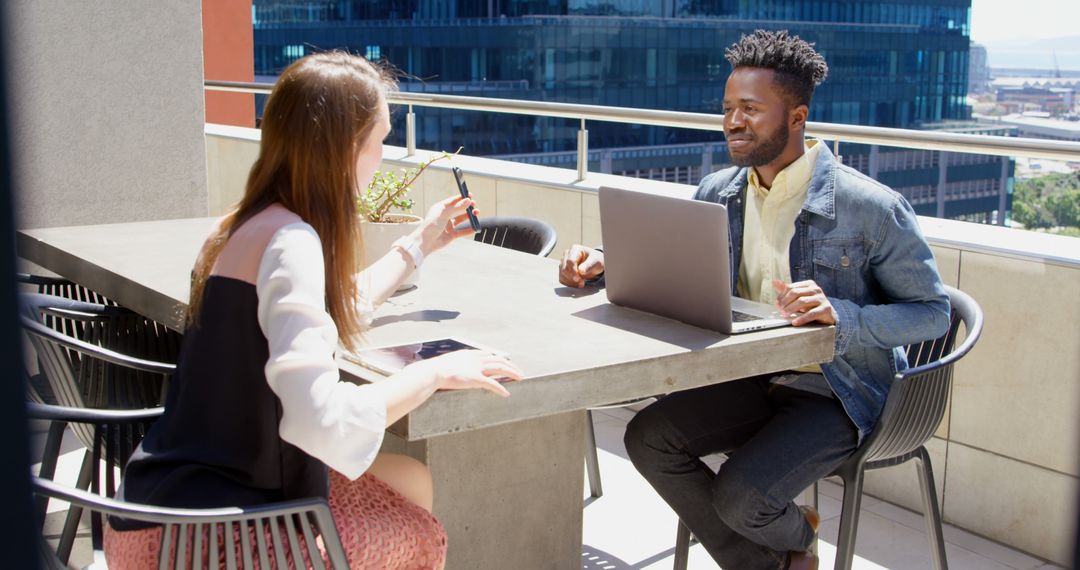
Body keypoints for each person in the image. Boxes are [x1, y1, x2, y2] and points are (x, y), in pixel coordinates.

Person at [104, 51, 523, 569]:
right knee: (413, 530)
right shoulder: (292, 241)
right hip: (215, 542)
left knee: (411, 477)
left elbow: (330, 306)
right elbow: (320, 424)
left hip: (153, 514)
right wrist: (433, 372)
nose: (383, 157)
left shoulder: (239, 225)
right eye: (380, 141)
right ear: (348, 148)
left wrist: (419, 243)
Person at [559, 30, 949, 570]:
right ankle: (784, 560)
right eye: (727, 109)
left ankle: (790, 542)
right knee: (649, 439)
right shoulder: (719, 191)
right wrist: (604, 263)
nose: (733, 122)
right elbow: (674, 262)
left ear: (796, 117)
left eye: (750, 109)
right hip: (749, 377)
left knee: (742, 498)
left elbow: (932, 314)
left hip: (836, 392)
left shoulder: (873, 209)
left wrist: (844, 316)